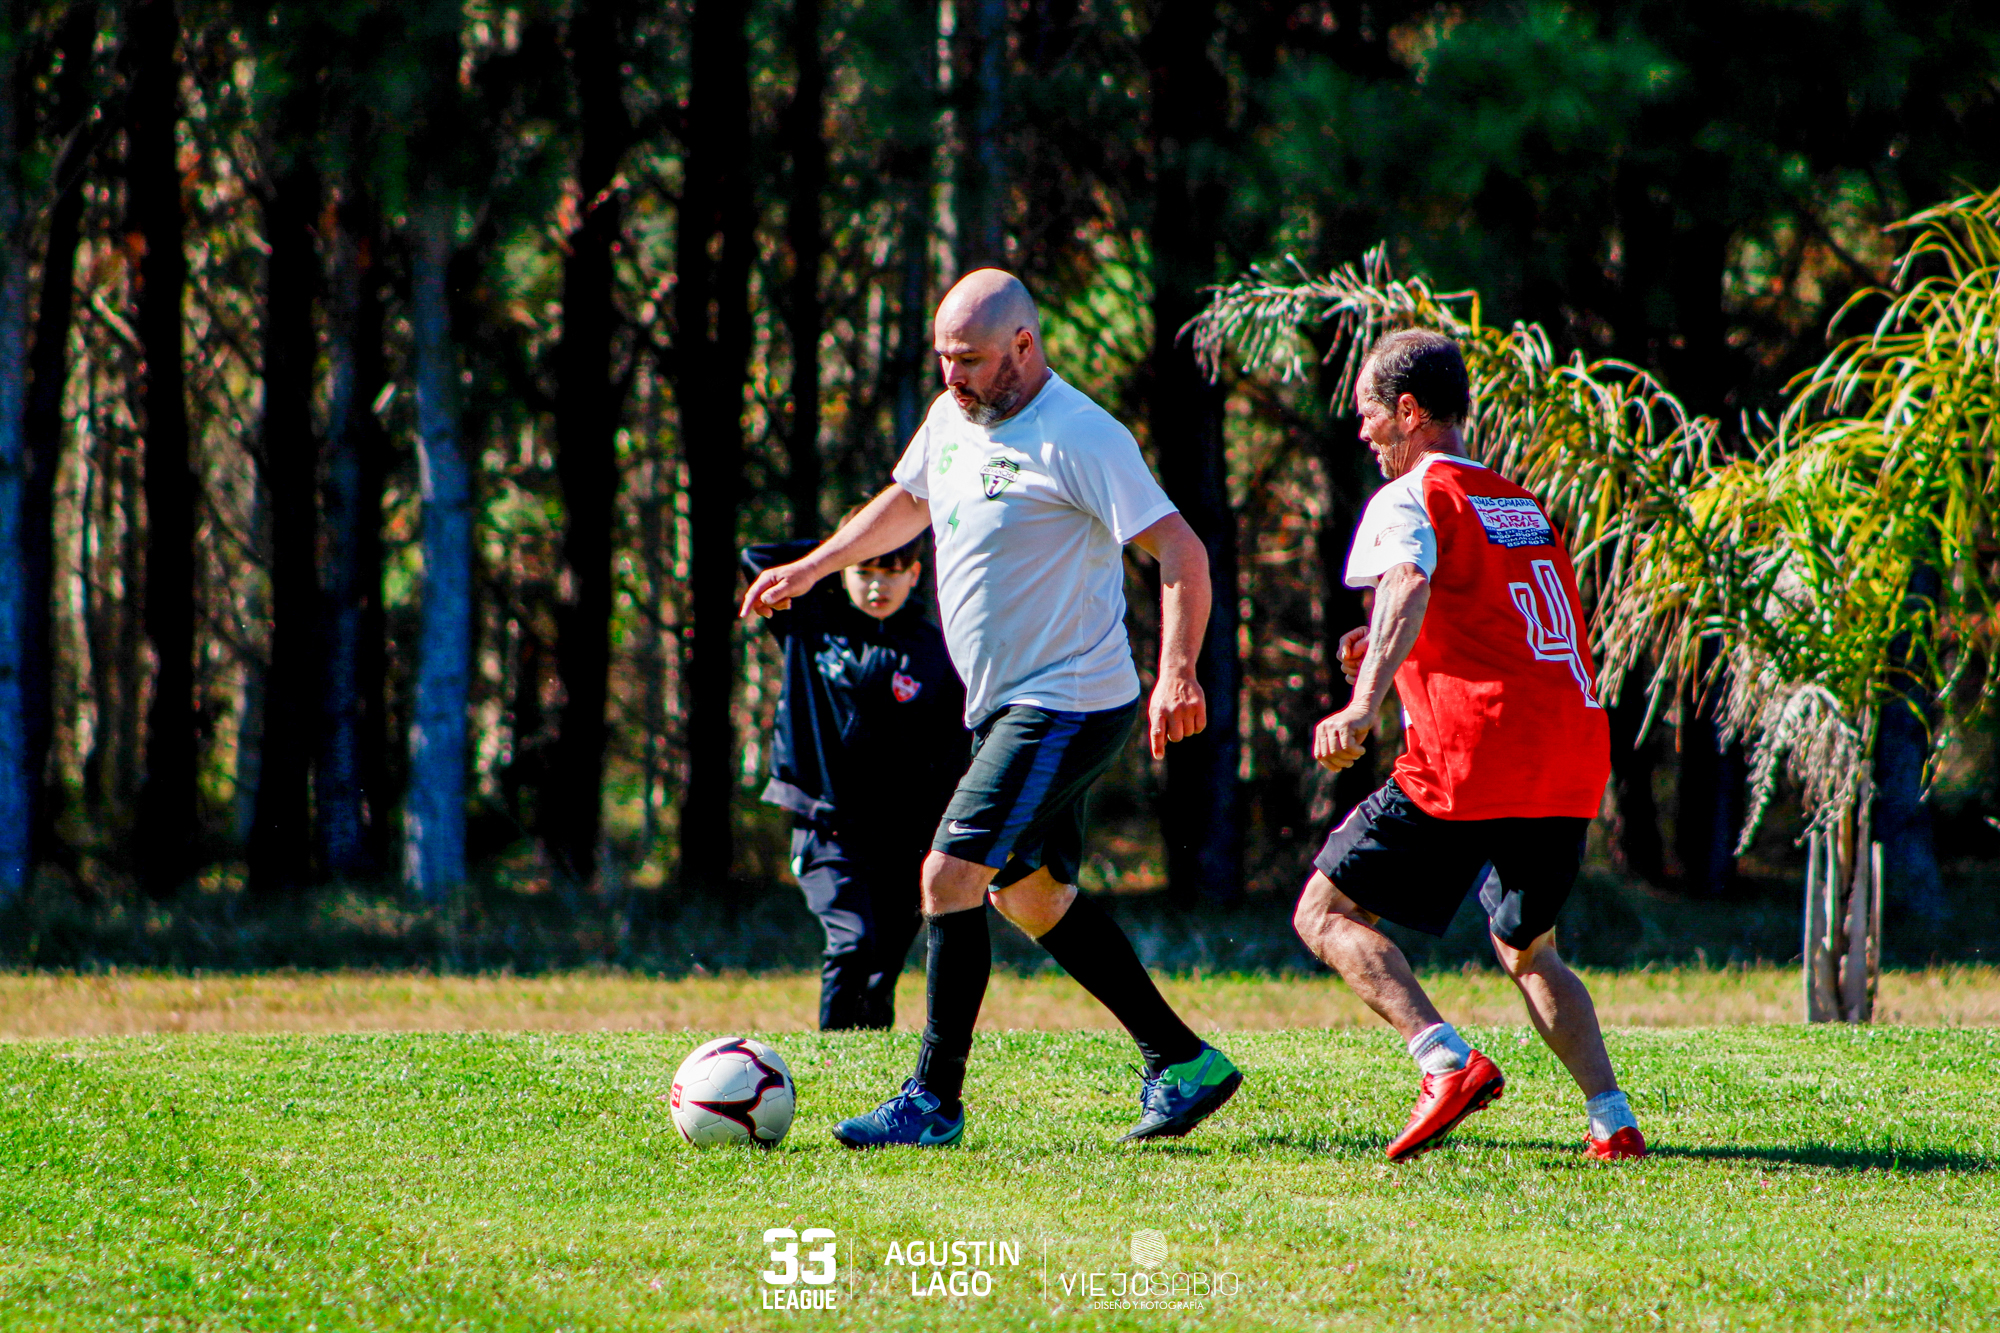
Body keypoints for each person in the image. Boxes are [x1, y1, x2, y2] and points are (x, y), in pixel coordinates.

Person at [741, 268, 1242, 1148]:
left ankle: (933, 1100)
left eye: (969, 359)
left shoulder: (1081, 434)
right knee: (1030, 895)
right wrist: (814, 568)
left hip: (1067, 699)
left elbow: (1182, 552)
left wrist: (1179, 672)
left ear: (1023, 345)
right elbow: (909, 501)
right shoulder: (951, 417)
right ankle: (1183, 1059)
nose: (953, 375)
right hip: (1006, 705)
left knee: (947, 876)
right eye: (943, 357)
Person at [1294, 328, 1646, 1163]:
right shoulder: (1517, 503)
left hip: (1476, 752)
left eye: (1369, 412)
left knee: (1324, 912)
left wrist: (1363, 700)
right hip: (1569, 755)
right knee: (1528, 946)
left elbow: (1409, 580)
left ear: (1409, 410)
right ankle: (1613, 1119)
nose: (1361, 429)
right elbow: (1494, 620)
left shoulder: (1413, 493)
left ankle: (1444, 1061)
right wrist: (1391, 647)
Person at [742, 512, 969, 1031]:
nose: (876, 585)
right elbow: (756, 558)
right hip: (826, 827)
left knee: (881, 968)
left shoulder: (936, 650)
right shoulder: (811, 619)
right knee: (852, 943)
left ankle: (868, 1064)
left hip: (906, 837)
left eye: (892, 571)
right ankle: (831, 1058)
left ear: (915, 574)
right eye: (864, 570)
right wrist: (848, 545)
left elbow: (954, 747)